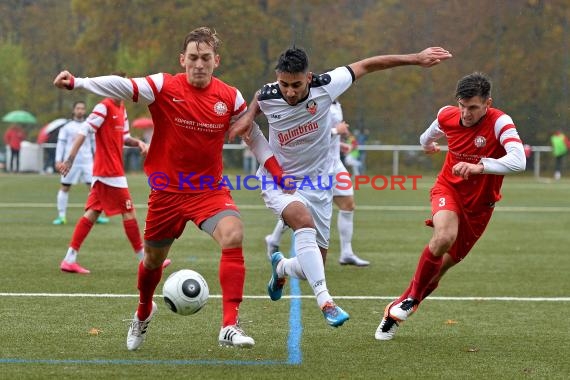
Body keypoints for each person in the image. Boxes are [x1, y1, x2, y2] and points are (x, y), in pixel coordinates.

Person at [53, 27, 257, 351]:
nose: (199, 64)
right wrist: (79, 82)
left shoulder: (231, 96)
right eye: (193, 58)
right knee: (151, 261)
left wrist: (276, 171)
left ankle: (229, 325)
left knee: (233, 234)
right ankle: (144, 311)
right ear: (183, 59)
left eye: (206, 58)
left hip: (208, 189)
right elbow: (123, 85)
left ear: (216, 61)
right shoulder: (164, 85)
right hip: (166, 193)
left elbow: (253, 134)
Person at [231, 45, 452, 328]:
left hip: (320, 183)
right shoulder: (270, 94)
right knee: (302, 222)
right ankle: (326, 302)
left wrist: (415, 59)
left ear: (309, 78)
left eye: (296, 85)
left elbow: (369, 64)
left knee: (315, 264)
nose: (289, 92)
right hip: (279, 182)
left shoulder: (327, 86)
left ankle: (282, 266)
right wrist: (250, 115)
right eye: (284, 84)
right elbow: (259, 100)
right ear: (278, 79)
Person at [375, 72, 526, 341]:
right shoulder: (447, 115)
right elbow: (426, 135)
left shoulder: (500, 122)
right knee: (443, 236)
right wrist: (428, 144)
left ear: (487, 104)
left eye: (473, 107)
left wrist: (480, 167)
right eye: (462, 105)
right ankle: (409, 300)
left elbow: (519, 161)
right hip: (449, 188)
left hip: (480, 205)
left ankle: (396, 309)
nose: (466, 113)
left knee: (440, 267)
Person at [56, 75, 156, 276]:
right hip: (108, 172)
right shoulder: (104, 107)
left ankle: (69, 259)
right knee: (129, 212)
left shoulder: (122, 108)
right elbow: (83, 131)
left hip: (111, 171)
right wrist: (69, 160)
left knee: (92, 213)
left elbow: (124, 137)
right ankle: (145, 260)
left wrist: (139, 143)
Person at [264, 100, 370, 266]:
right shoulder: (315, 102)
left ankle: (346, 253)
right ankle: (273, 239)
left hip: (335, 165)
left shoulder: (337, 103)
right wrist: (337, 131)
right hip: (317, 168)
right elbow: (307, 133)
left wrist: (339, 144)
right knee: (301, 210)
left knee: (348, 205)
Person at [52, 101, 109, 225]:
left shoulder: (90, 125)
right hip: (70, 163)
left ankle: (96, 215)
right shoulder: (66, 127)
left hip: (87, 162)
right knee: (65, 187)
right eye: (78, 108)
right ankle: (61, 216)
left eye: (82, 108)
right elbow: (61, 144)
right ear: (73, 110)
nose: (80, 111)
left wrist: (99, 159)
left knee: (94, 189)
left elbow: (95, 144)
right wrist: (58, 160)